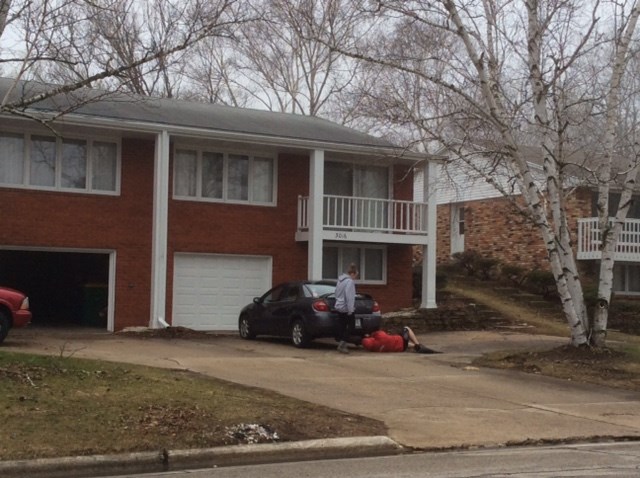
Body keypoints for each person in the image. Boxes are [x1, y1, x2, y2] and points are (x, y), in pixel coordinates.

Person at [334, 263, 358, 354]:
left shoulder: (340, 281)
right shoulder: (349, 282)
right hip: (346, 307)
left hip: (339, 306)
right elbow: (350, 296)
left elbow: (336, 292)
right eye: (355, 275)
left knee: (342, 326)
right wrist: (350, 309)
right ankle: (342, 343)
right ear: (353, 273)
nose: (355, 278)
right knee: (351, 326)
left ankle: (342, 342)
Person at [361, 326, 440, 354]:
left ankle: (414, 346)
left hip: (402, 348)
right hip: (402, 340)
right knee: (406, 328)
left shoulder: (375, 349)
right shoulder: (379, 335)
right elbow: (380, 332)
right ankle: (418, 345)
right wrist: (370, 335)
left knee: (396, 344)